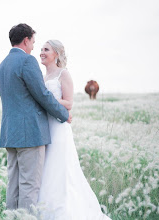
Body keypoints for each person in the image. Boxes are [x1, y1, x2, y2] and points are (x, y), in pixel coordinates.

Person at [0, 24, 71, 212]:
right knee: (29, 185)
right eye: (33, 42)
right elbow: (42, 95)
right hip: (29, 134)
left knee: (13, 184)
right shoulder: (27, 61)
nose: (33, 48)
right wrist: (64, 114)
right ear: (26, 40)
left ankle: (11, 216)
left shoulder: (3, 64)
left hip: (9, 133)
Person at [37, 40, 111, 220]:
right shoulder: (43, 77)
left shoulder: (64, 74)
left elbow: (69, 103)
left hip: (59, 129)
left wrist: (45, 100)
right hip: (44, 128)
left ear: (56, 54)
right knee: (46, 170)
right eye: (41, 49)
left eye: (46, 49)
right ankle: (44, 210)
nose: (41, 52)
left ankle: (64, 212)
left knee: (60, 169)